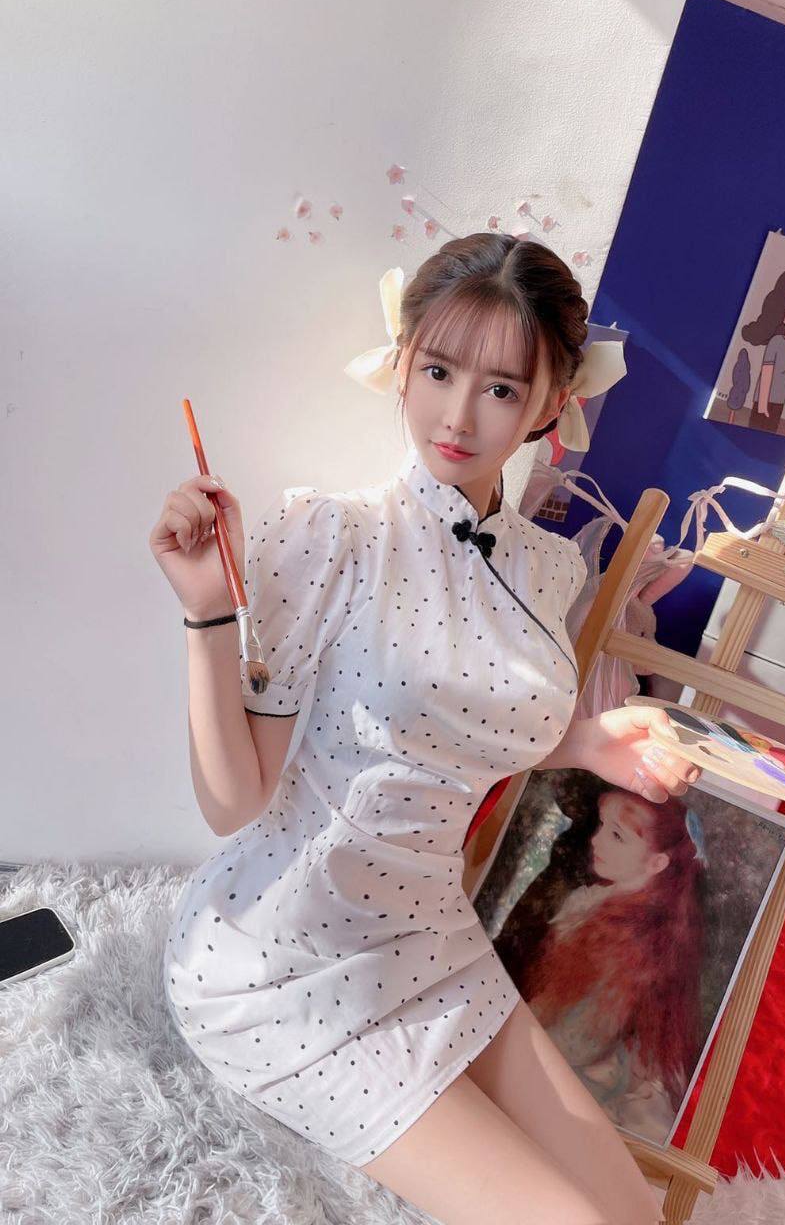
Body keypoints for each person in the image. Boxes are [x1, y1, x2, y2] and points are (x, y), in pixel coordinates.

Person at [150, 232, 700, 1225]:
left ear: (550, 403)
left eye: (500, 387)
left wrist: (582, 742)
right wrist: (206, 614)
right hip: (284, 963)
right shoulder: (333, 535)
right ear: (401, 364)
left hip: (431, 940)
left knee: (632, 1210)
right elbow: (233, 803)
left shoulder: (545, 568)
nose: (457, 414)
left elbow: (458, 719)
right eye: (438, 371)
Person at [519, 788, 706, 1145]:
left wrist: (521, 1033)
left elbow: (581, 1040)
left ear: (657, 863)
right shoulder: (594, 900)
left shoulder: (633, 942)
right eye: (603, 826)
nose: (596, 840)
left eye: (617, 836)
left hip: (575, 1072)